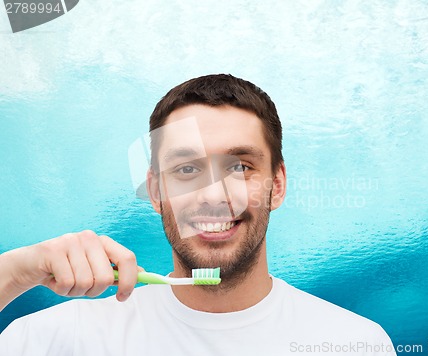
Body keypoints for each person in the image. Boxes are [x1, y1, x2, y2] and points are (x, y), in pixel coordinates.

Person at [0, 74, 396, 355]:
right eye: (187, 170)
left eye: (240, 166)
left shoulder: (356, 342)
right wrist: (16, 272)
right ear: (156, 191)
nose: (213, 196)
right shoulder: (59, 340)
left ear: (276, 185)